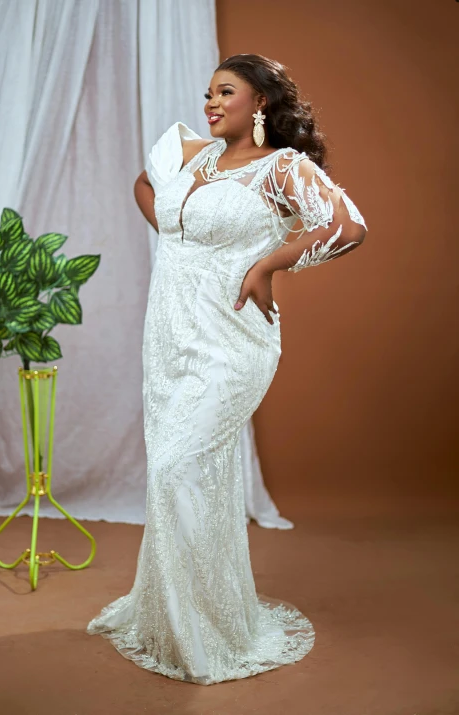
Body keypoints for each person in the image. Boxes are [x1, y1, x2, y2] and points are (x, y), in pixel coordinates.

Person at [87, 53, 367, 685]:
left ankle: (203, 632)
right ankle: (188, 611)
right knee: (182, 473)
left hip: (231, 340)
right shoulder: (192, 154)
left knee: (176, 462)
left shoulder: (281, 169)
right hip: (169, 335)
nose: (211, 103)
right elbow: (144, 185)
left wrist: (268, 265)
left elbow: (348, 226)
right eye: (209, 92)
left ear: (259, 104)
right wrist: (176, 239)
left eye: (226, 92)